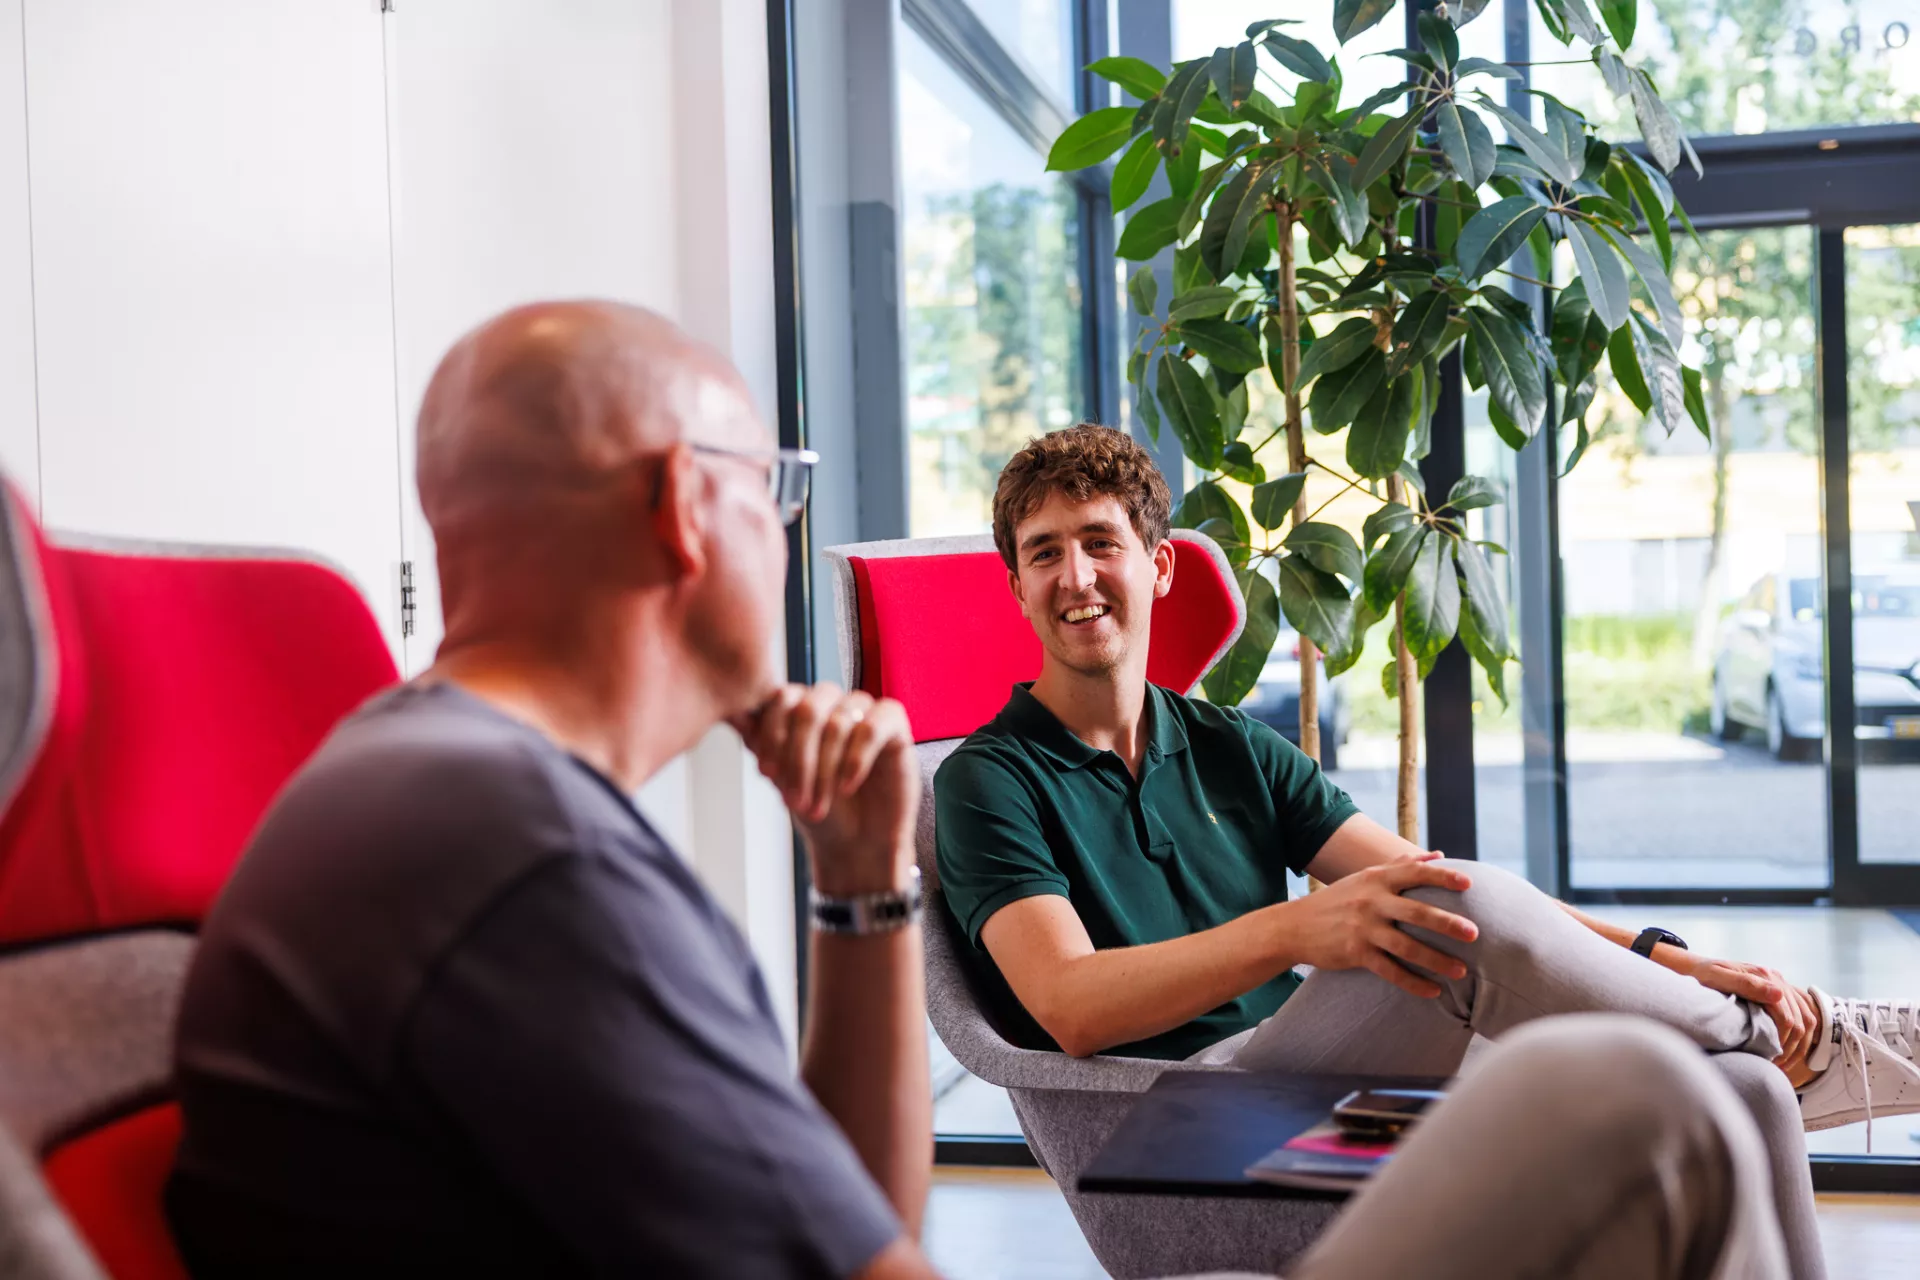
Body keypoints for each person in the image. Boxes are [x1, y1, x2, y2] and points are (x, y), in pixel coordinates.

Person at [163, 302, 1782, 1280]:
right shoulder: (511, 854)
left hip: (1260, 1096)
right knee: (1627, 1110)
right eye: (775, 487)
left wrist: (863, 890)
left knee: (1695, 1095)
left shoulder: (473, 800)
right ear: (685, 512)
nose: (789, 527)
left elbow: (852, 1215)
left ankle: (1773, 1043)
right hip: (1176, 1140)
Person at [936, 423, 1920, 1280]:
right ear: (1015, 585)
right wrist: (1294, 927)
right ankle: (1800, 1038)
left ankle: (1772, 1051)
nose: (1075, 576)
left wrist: (1661, 953)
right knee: (1461, 920)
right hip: (1167, 1127)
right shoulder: (990, 780)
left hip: (1312, 1095)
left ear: (1157, 564)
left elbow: (1453, 883)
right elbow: (1068, 1005)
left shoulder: (1227, 742)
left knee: (1743, 1090)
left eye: (1099, 540)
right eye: (1043, 552)